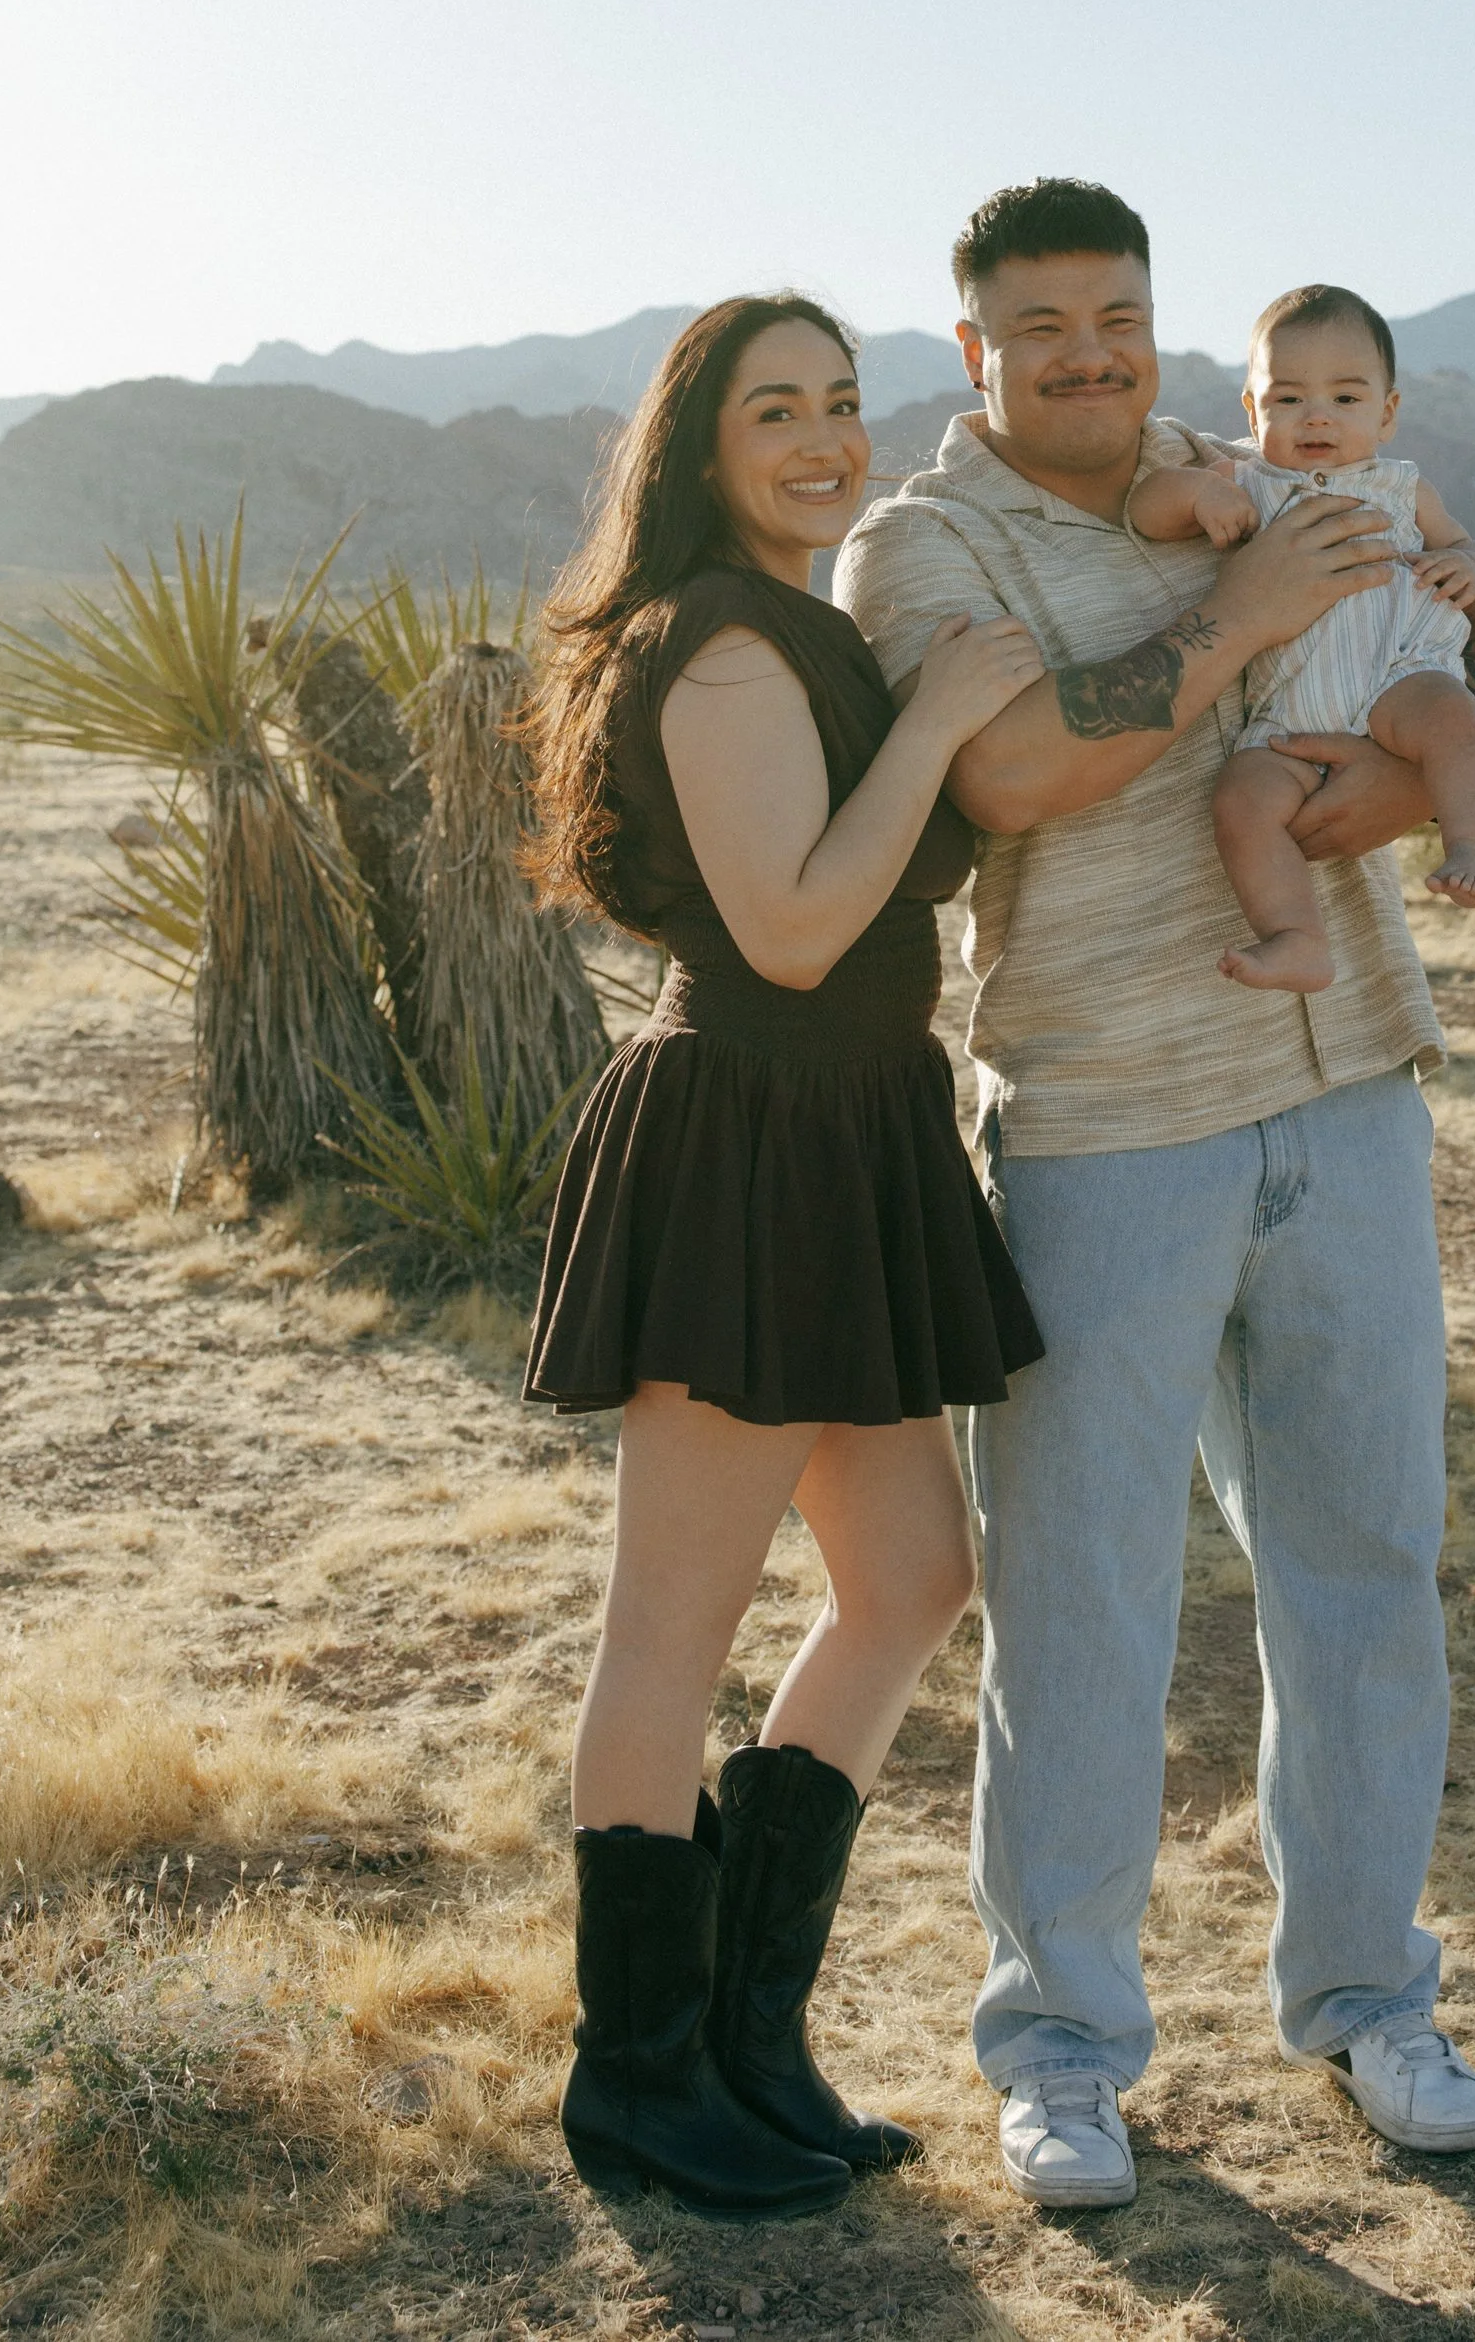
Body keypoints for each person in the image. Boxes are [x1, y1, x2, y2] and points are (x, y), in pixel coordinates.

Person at [836, 184, 1475, 2211]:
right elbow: (1007, 783)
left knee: (1364, 1565)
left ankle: (1366, 2001)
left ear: (1158, 329)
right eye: (1041, 322)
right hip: (1100, 1119)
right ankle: (1060, 2048)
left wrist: (1442, 727)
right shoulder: (929, 543)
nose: (1087, 348)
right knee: (1076, 1595)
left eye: (1119, 313)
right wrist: (1234, 635)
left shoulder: (1242, 467)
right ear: (971, 347)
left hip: (1342, 1095)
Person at [519, 294, 1047, 2218]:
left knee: (909, 1575)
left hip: (850, 1144)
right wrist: (931, 728)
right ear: (701, 443)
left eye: (843, 402)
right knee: (671, 1629)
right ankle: (636, 2077)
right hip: (747, 1138)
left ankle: (747, 2039)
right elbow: (803, 930)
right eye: (776, 410)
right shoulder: (726, 650)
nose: (825, 438)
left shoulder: (804, 625)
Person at [1126, 281, 1475, 988]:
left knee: (1456, 720)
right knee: (1241, 800)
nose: (1316, 418)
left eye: (1346, 398)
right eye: (1289, 398)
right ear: (1252, 407)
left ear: (1387, 413)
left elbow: (1469, 547)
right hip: (1289, 712)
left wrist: (1465, 565)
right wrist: (1198, 495)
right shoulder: (1247, 478)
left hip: (1400, 678)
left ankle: (1472, 847)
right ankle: (1296, 936)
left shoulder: (1401, 488)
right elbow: (1147, 511)